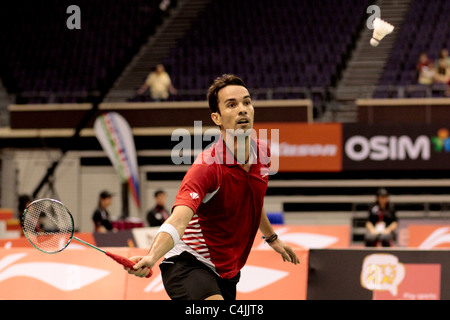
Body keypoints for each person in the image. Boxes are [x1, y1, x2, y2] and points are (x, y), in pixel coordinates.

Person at [126, 74, 299, 300]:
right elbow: (178, 220)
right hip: (189, 263)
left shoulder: (263, 153)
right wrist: (152, 256)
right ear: (217, 118)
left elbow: (253, 200)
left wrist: (272, 238)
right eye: (232, 104)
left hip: (227, 270)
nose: (242, 109)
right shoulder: (207, 167)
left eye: (247, 102)